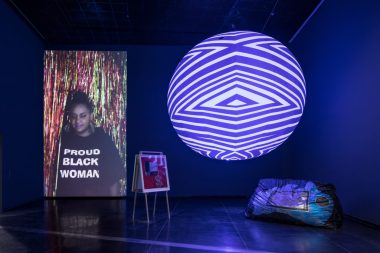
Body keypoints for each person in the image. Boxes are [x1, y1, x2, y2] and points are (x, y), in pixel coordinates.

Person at [55, 91, 125, 197]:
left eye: (83, 116)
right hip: (68, 206)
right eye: (74, 116)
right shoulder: (62, 140)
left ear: (90, 116)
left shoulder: (103, 140)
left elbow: (113, 180)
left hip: (99, 207)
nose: (77, 121)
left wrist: (114, 208)